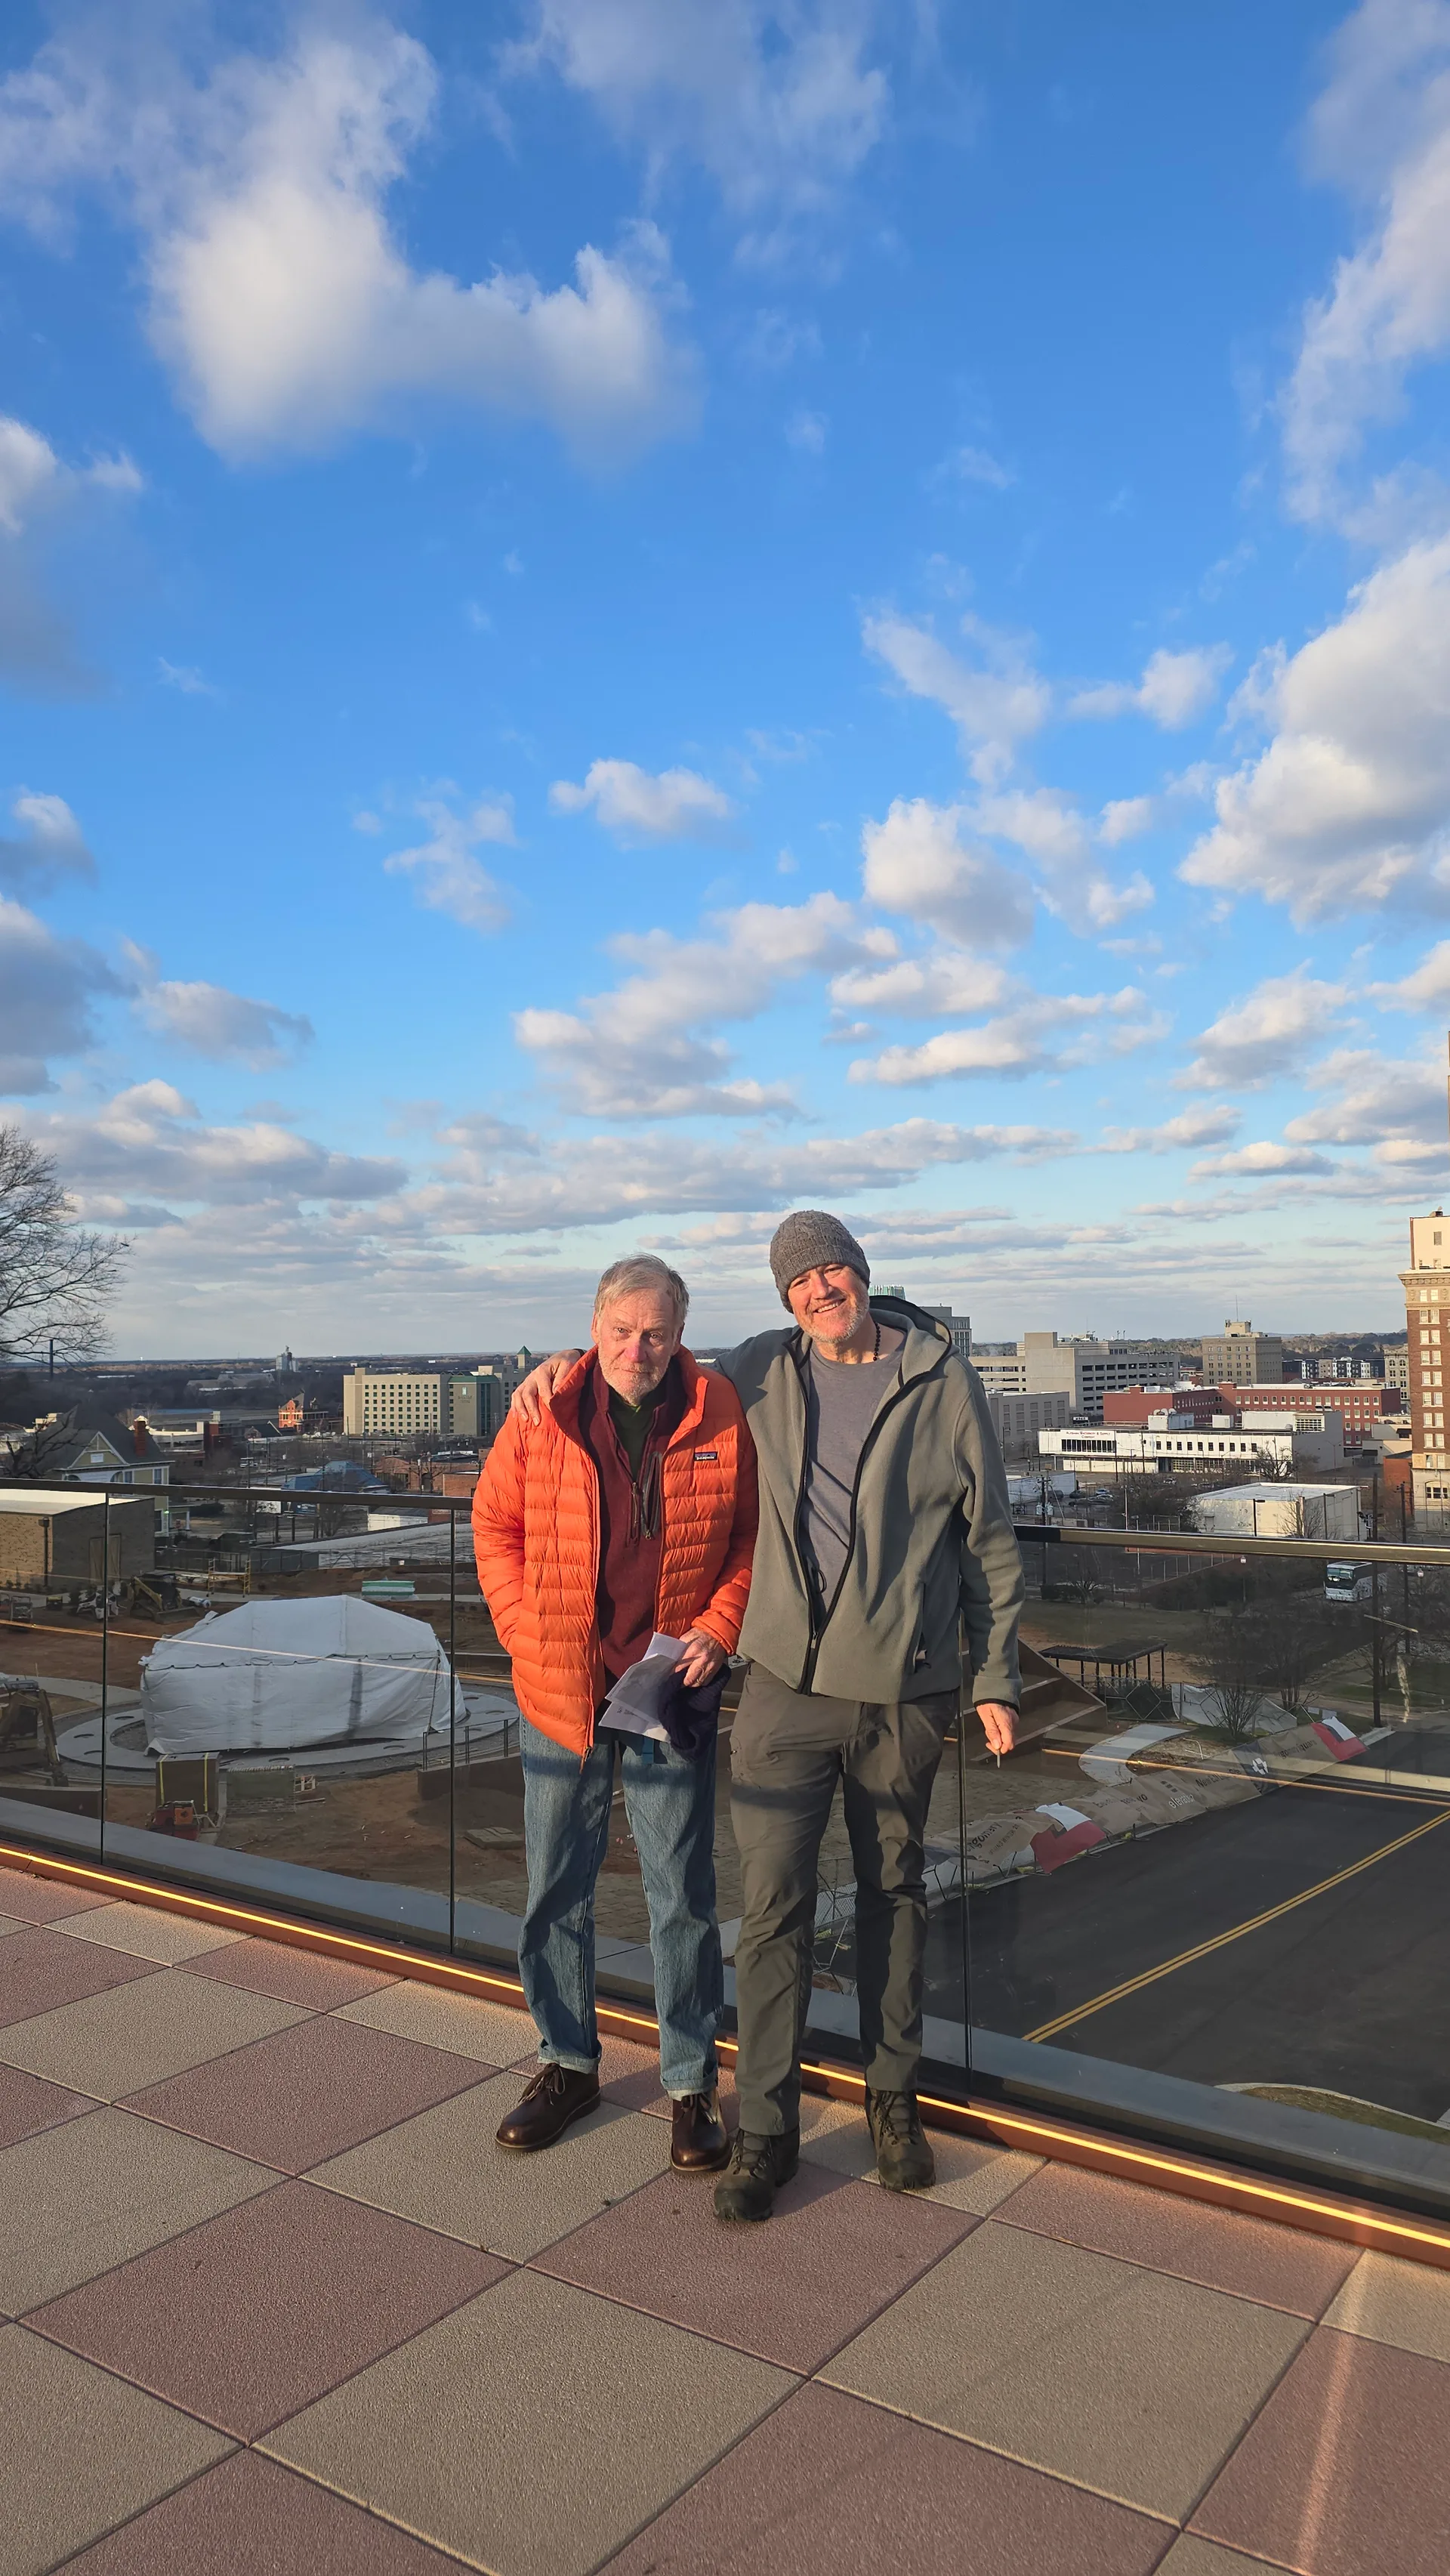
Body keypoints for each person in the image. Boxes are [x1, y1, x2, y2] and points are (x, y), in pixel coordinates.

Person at [511, 1210, 1023, 2222]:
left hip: (904, 1689)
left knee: (894, 1893)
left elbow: (990, 1542)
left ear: (862, 1272)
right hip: (784, 1685)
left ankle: (892, 2103)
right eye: (800, 1279)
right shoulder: (755, 1372)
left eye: (833, 1268)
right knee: (775, 1907)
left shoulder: (941, 1379)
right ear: (783, 1299)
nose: (820, 1288)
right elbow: (643, 1358)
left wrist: (994, 1673)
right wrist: (566, 1364)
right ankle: (767, 2130)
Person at [474, 1254, 757, 2173]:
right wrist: (526, 1631)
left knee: (682, 1896)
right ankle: (566, 2063)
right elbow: (495, 1527)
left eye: (659, 1331)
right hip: (562, 1687)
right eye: (624, 1329)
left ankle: (688, 2083)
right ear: (594, 1325)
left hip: (667, 1689)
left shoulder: (719, 1408)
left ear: (683, 1332)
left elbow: (747, 1535)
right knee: (557, 1886)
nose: (641, 1347)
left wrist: (719, 1625)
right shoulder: (544, 1410)